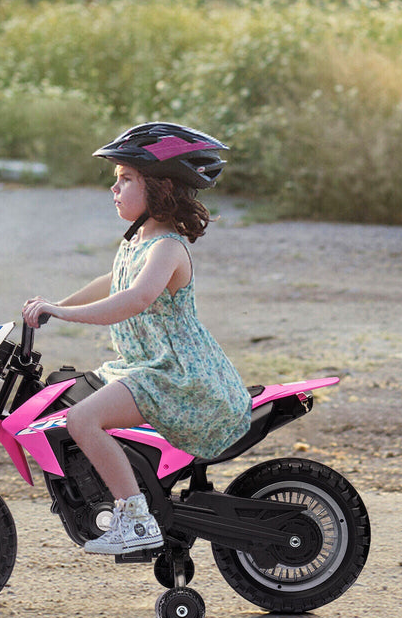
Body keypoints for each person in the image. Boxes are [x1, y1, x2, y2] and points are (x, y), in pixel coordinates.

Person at [23, 122, 251, 555]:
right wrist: (55, 304)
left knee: (82, 420)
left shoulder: (168, 247)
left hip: (177, 376)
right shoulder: (137, 243)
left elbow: (133, 298)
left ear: (161, 188)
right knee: (73, 400)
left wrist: (64, 314)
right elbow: (113, 281)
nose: (115, 189)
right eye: (116, 180)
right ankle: (116, 494)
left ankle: (136, 519)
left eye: (126, 179)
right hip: (147, 369)